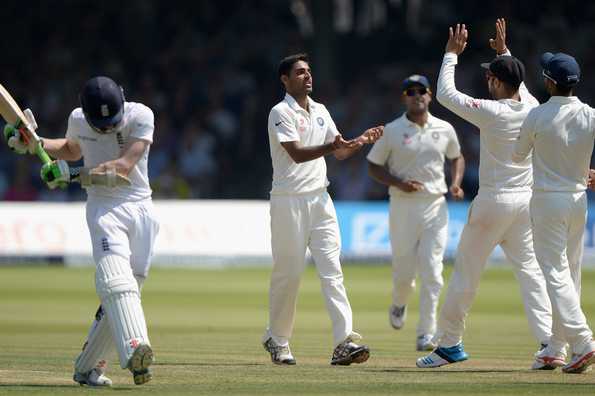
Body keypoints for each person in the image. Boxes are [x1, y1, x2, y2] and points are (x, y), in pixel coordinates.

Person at [4, 76, 159, 385]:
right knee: (117, 283)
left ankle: (87, 368)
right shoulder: (77, 119)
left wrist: (73, 174)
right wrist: (34, 142)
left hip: (140, 206)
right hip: (104, 209)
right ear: (85, 113)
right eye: (98, 124)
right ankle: (135, 348)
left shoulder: (141, 115)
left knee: (129, 289)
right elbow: (73, 149)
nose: (105, 129)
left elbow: (124, 167)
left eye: (110, 123)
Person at [416, 19, 553, 368]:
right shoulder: (533, 106)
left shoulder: (493, 112)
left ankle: (449, 344)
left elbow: (446, 95)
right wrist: (504, 52)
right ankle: (551, 345)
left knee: (467, 272)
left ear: (494, 81)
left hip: (495, 202)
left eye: (490, 77)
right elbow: (517, 82)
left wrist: (450, 56)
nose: (486, 82)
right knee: (531, 273)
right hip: (526, 203)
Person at [264, 53, 383, 366]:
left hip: (320, 199)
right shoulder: (280, 112)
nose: (307, 76)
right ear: (285, 80)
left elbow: (339, 150)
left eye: (309, 71)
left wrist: (359, 141)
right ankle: (278, 339)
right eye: (300, 72)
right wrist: (334, 147)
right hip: (289, 200)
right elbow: (296, 154)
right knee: (288, 274)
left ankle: (344, 341)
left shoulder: (321, 110)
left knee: (333, 271)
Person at [367, 74, 465, 351]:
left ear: (430, 95)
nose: (416, 95)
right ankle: (399, 304)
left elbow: (456, 156)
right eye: (410, 91)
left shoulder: (444, 128)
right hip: (402, 206)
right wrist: (398, 183)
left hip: (435, 204)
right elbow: (373, 165)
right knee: (404, 274)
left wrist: (455, 184)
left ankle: (426, 333)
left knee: (433, 272)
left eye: (421, 90)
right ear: (404, 97)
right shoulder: (392, 130)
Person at [512, 52, 595, 374]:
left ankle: (583, 341)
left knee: (556, 274)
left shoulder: (538, 116)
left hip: (548, 201)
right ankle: (557, 348)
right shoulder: (589, 114)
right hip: (578, 202)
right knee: (569, 274)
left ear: (548, 81)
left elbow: (518, 156)